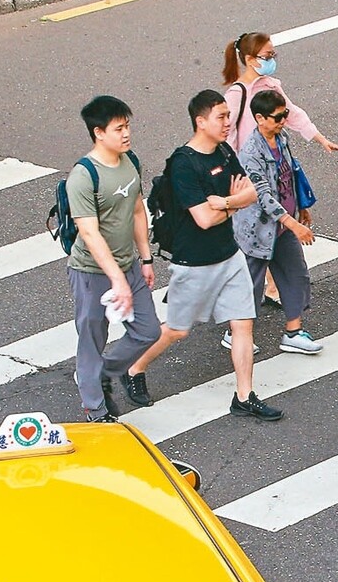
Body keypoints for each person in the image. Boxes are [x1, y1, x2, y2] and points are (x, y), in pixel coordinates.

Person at [124, 89, 284, 421]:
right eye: (221, 117)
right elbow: (203, 219)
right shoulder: (184, 163)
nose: (228, 123)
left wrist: (226, 203)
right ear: (201, 122)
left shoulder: (224, 152)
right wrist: (233, 203)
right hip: (194, 263)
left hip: (230, 255)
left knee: (243, 324)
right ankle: (133, 367)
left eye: (228, 116)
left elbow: (252, 191)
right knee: (177, 331)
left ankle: (244, 396)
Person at [223, 31, 338, 306]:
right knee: (258, 230)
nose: (272, 60)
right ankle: (250, 299)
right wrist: (233, 173)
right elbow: (227, 135)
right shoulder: (236, 94)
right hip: (249, 171)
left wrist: (319, 138)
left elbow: (292, 113)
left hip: (273, 165)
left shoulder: (270, 85)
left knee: (269, 227)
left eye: (273, 55)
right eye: (267, 56)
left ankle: (271, 287)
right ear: (250, 59)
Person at [65, 95, 160, 422]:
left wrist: (145, 259)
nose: (126, 133)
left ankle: (103, 373)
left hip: (129, 265)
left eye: (127, 126)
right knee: (93, 338)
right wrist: (117, 279)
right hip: (91, 273)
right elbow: (89, 234)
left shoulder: (130, 161)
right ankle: (96, 409)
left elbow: (136, 210)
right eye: (118, 128)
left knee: (149, 331)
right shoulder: (83, 176)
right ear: (98, 133)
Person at [235, 89, 322, 355]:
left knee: (296, 274)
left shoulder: (281, 138)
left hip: (283, 225)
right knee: (251, 285)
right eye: (277, 117)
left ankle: (294, 331)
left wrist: (301, 208)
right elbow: (262, 195)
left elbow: (289, 174)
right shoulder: (250, 152)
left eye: (284, 115)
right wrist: (293, 224)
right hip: (258, 230)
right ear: (260, 118)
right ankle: (236, 332)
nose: (283, 121)